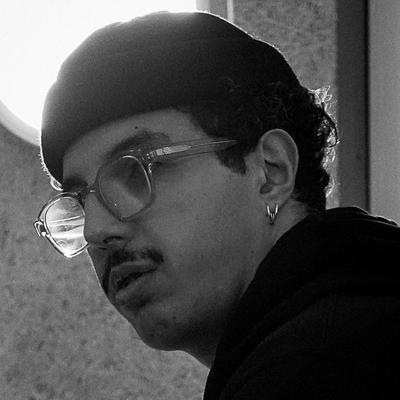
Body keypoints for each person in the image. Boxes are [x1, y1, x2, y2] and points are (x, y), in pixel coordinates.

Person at [34, 11, 400, 399]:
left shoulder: (316, 369)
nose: (95, 230)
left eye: (136, 171)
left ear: (271, 171)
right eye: (79, 202)